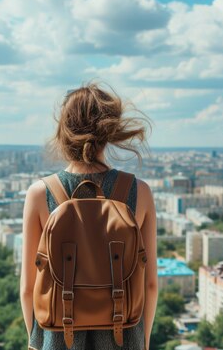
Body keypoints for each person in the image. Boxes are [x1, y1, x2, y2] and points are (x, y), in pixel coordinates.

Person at [20, 82, 158, 350]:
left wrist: (37, 341)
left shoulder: (40, 194)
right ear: (109, 132)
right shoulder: (139, 192)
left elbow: (28, 289)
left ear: (64, 132)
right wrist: (143, 342)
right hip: (125, 339)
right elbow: (150, 285)